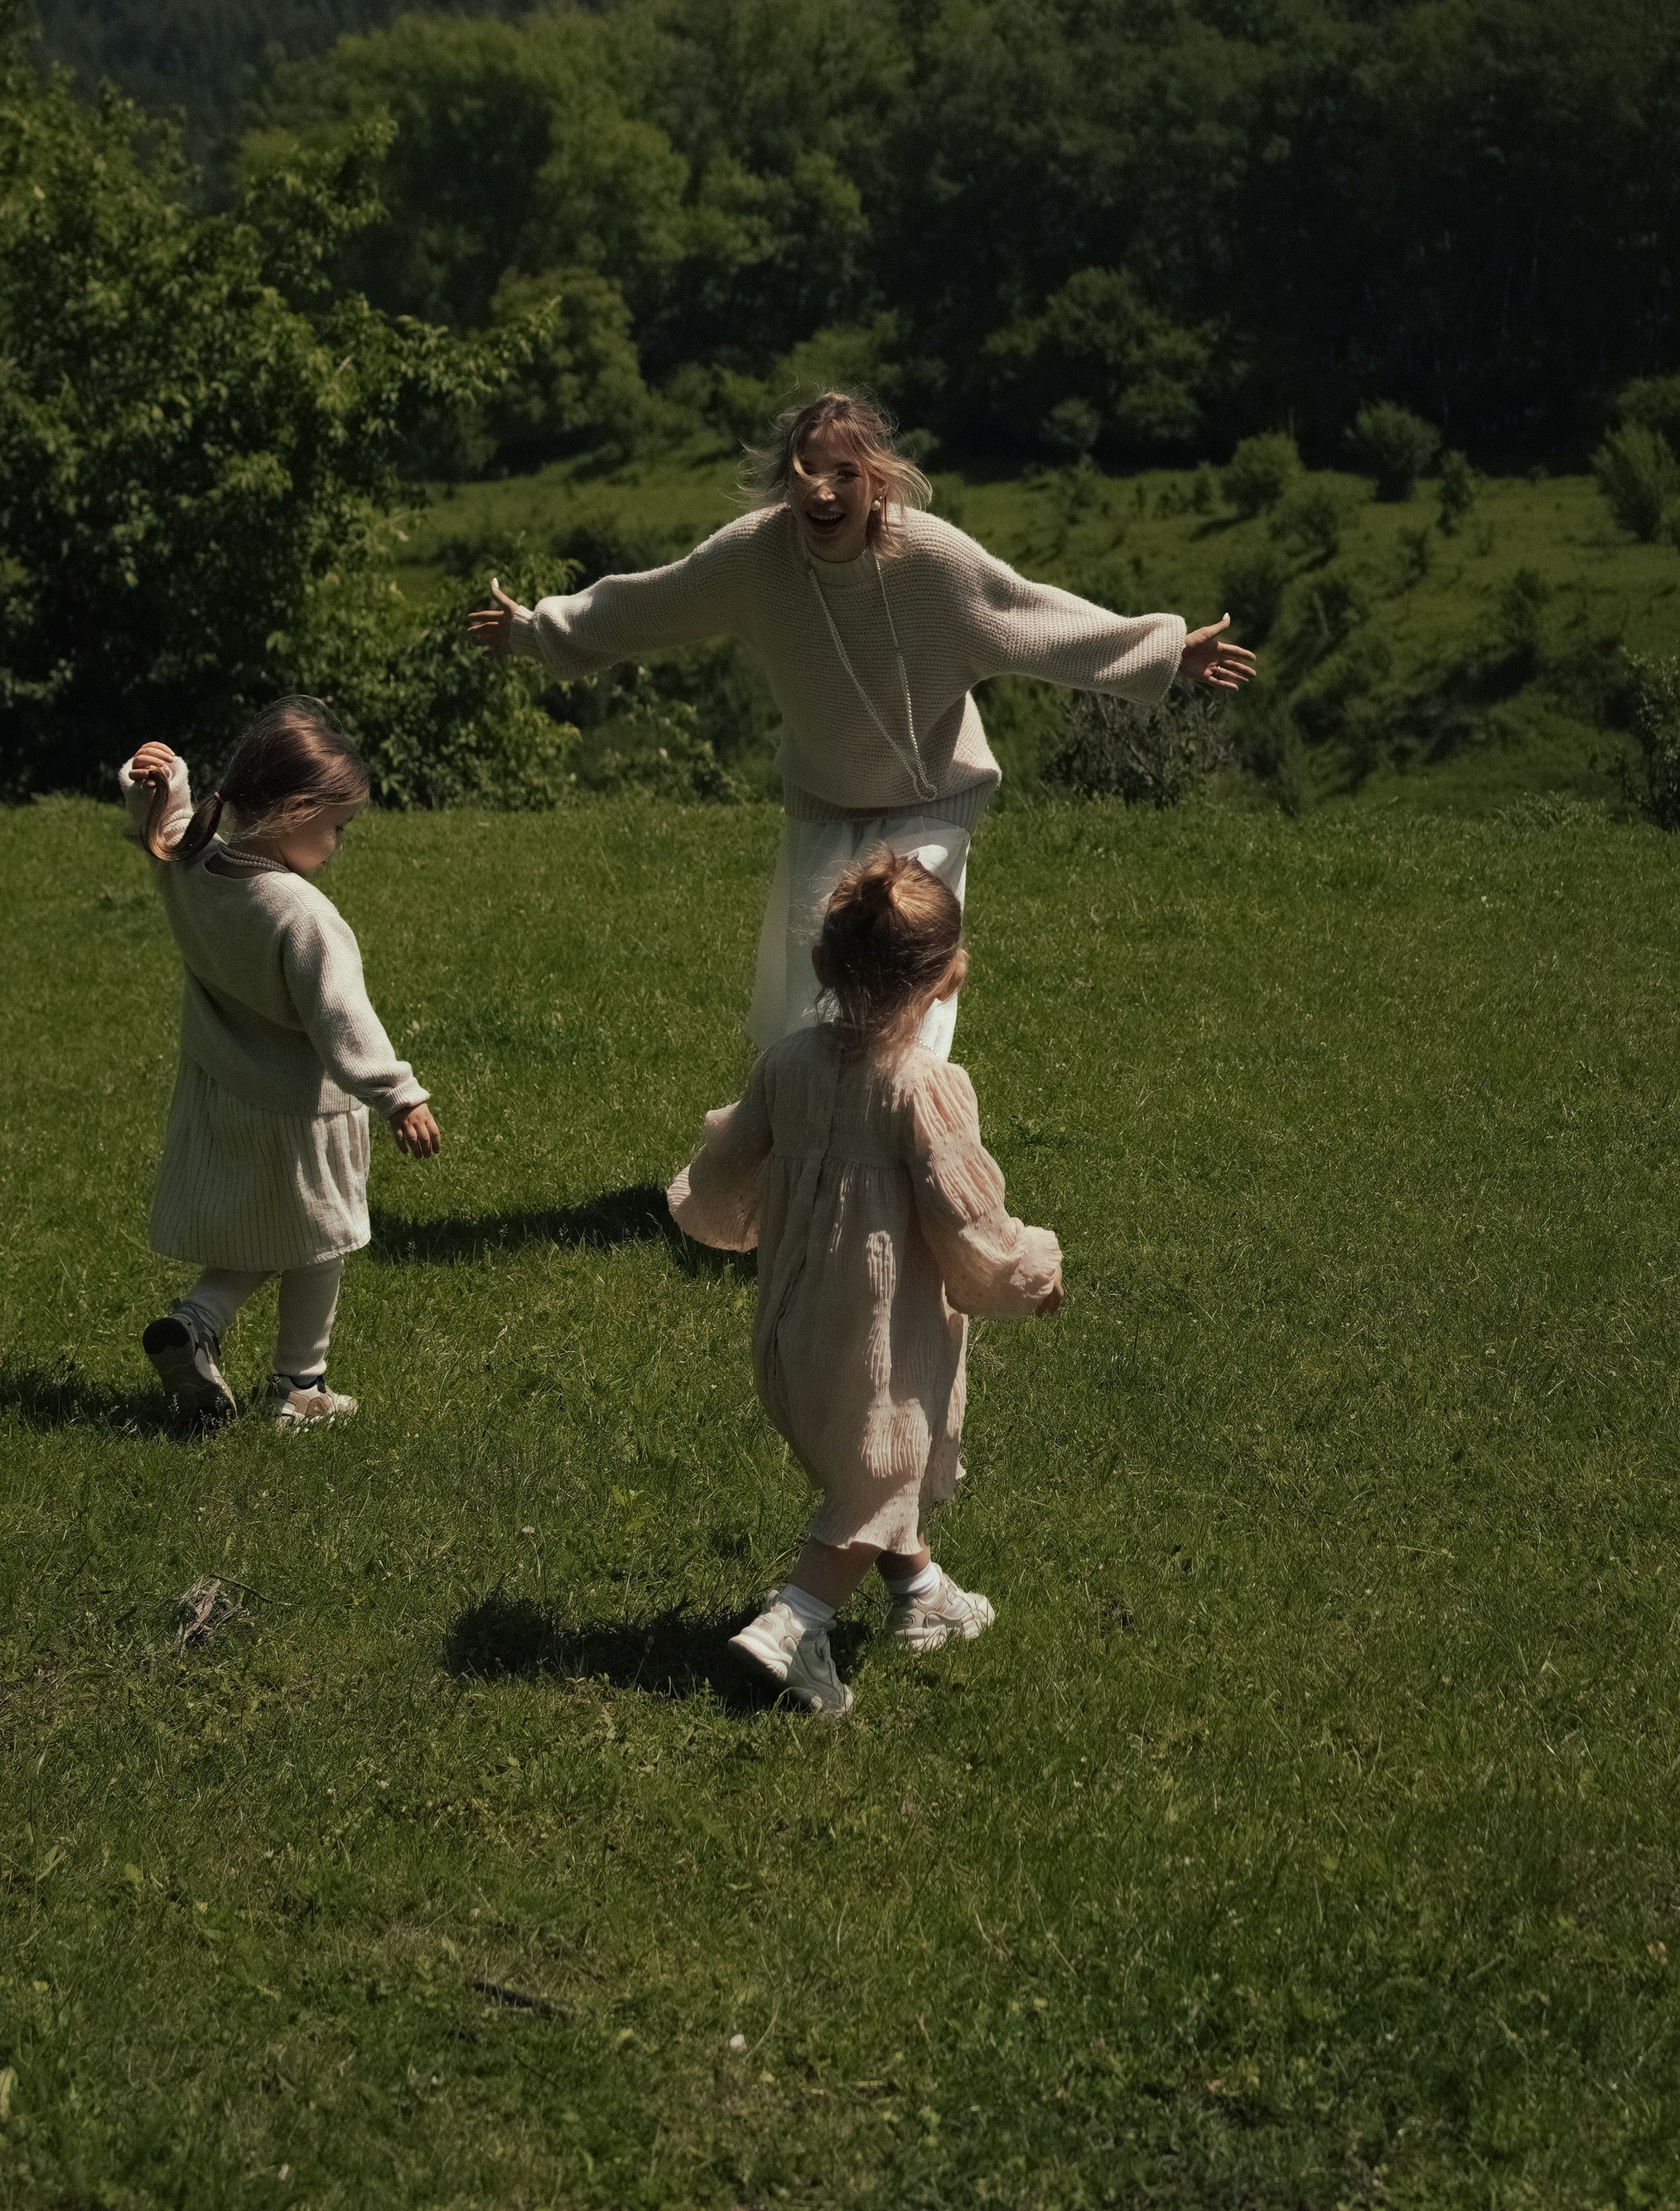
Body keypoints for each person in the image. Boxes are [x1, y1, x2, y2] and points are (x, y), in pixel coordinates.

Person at [468, 389, 1254, 1057]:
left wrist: (1163, 650)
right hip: (824, 795)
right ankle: (797, 1165)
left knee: (904, 977)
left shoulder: (931, 558)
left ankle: (910, 1149)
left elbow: (1027, 615)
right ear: (786, 481)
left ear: (879, 483)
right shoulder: (755, 558)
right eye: (807, 471)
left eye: (846, 473)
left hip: (932, 796)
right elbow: (656, 600)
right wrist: (540, 630)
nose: (824, 492)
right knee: (807, 996)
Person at [668, 847, 1060, 1716]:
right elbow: (970, 1215)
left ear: (821, 964)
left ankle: (922, 1598)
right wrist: (1029, 1270)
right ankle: (793, 1627)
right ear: (949, 978)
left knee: (881, 1466)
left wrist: (703, 1202)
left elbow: (729, 1160)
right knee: (884, 1469)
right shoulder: (925, 1087)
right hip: (881, 1337)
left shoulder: (786, 1065)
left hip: (795, 1325)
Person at [119, 698, 441, 1431]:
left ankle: (196, 1322)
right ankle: (300, 1387)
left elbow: (167, 827)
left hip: (223, 1093)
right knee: (321, 1241)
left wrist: (161, 780)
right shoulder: (302, 915)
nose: (337, 844)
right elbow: (343, 1021)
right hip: (303, 1110)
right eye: (335, 826)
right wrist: (400, 1096)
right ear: (295, 810)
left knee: (271, 1234)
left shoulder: (191, 868)